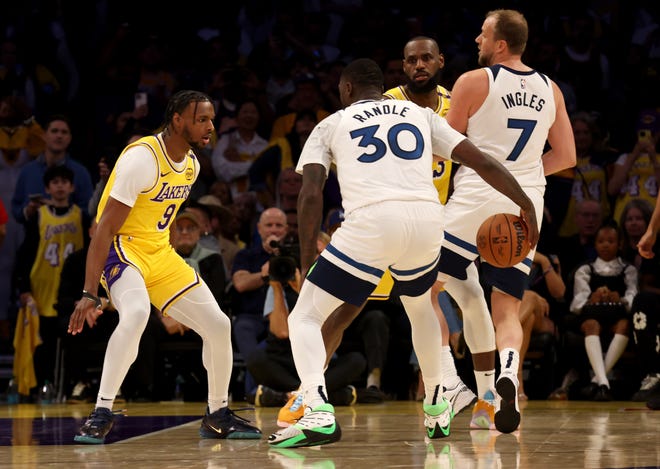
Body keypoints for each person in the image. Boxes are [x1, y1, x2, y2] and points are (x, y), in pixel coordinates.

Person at [268, 58, 539, 449]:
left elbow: (310, 194)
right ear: (382, 87)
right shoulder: (419, 114)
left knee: (307, 314)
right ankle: (436, 404)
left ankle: (316, 408)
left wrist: (309, 254)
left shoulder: (332, 124)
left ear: (346, 90)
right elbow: (479, 160)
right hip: (428, 220)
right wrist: (523, 201)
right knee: (420, 307)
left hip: (372, 222)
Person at [66, 90, 261, 444]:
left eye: (212, 119)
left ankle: (217, 414)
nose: (211, 127)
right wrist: (89, 293)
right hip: (121, 250)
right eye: (202, 119)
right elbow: (104, 228)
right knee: (138, 312)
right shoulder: (142, 159)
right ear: (177, 120)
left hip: (160, 252)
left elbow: (157, 219)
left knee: (218, 325)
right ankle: (101, 412)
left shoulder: (192, 165)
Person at [436, 9, 576, 433]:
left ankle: (447, 380)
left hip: (476, 195)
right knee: (507, 306)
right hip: (525, 205)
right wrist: (525, 174)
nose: (477, 40)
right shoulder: (551, 89)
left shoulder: (473, 81)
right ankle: (508, 375)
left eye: (483, 34)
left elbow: (448, 146)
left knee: (422, 286)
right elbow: (568, 157)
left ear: (500, 43)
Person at [383, 35, 476, 415]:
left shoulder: (456, 104)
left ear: (440, 61)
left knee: (429, 300)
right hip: (394, 215)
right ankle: (452, 384)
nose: (419, 65)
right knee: (419, 302)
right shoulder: (388, 104)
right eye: (411, 60)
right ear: (403, 66)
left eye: (426, 59)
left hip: (439, 219)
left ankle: (453, 384)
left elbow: (470, 165)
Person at [14, 165, 88, 396]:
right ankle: (41, 385)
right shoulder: (38, 216)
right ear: (47, 188)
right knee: (43, 343)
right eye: (54, 182)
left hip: (70, 289)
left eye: (64, 182)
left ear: (72, 187)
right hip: (42, 286)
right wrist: (23, 288)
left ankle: (71, 385)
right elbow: (25, 254)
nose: (60, 186)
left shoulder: (81, 217)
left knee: (70, 339)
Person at [569, 222, 638, 401]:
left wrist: (620, 299)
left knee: (624, 325)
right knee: (592, 325)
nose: (606, 245)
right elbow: (577, 304)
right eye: (601, 241)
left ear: (620, 244)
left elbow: (633, 298)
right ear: (595, 244)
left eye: (611, 241)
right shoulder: (585, 270)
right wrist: (593, 297)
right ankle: (603, 383)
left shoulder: (628, 270)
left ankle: (598, 381)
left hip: (617, 317)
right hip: (592, 317)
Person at [11, 114, 94, 224]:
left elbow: (90, 212)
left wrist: (60, 208)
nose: (59, 135)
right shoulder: (28, 171)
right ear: (44, 135)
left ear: (70, 138)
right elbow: (16, 208)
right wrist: (28, 211)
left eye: (64, 132)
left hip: (69, 237)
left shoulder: (80, 173)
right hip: (33, 237)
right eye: (54, 131)